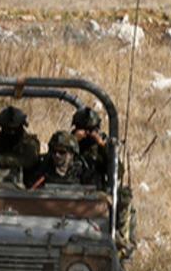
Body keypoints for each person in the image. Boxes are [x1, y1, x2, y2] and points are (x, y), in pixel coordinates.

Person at [72, 106, 135, 251]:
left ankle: (120, 241)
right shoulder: (67, 141)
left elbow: (118, 171)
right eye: (84, 130)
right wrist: (73, 141)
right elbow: (53, 160)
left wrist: (102, 146)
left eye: (91, 130)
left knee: (124, 197)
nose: (87, 134)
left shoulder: (105, 145)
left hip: (97, 192)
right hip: (71, 189)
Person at [28, 131, 95, 188]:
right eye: (54, 151)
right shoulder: (42, 169)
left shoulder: (83, 171)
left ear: (72, 154)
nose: (57, 155)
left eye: (62, 152)